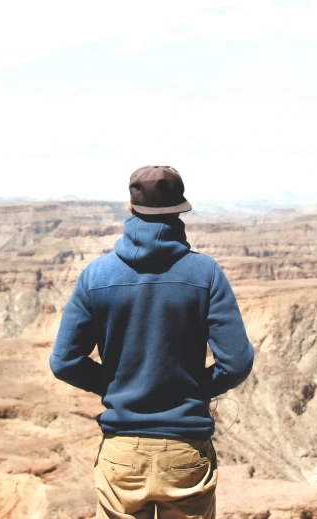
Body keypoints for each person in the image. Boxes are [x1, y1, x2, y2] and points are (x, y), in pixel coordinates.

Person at [50, 165, 255, 519]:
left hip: (122, 454)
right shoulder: (206, 274)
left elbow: (64, 361)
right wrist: (193, 388)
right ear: (180, 210)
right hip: (186, 453)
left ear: (130, 209)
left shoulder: (96, 276)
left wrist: (116, 385)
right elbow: (236, 362)